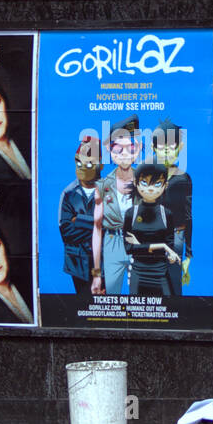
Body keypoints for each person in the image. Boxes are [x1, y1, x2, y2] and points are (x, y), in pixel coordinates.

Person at [91, 115, 141, 295]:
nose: (125, 154)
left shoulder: (145, 183)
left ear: (138, 149)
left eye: (131, 148)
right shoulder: (102, 186)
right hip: (112, 243)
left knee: (142, 299)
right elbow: (97, 229)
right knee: (112, 296)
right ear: (109, 150)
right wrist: (97, 274)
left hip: (139, 244)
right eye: (118, 149)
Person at [122, 162, 181, 296]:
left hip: (161, 273)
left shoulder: (166, 214)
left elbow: (169, 246)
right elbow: (128, 248)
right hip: (138, 273)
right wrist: (161, 246)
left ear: (165, 185)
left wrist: (142, 245)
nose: (150, 189)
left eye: (157, 184)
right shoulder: (131, 214)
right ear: (136, 183)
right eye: (144, 183)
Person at [152, 119, 193, 292]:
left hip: (177, 236)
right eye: (161, 145)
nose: (167, 149)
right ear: (154, 148)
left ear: (180, 147)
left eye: (172, 144)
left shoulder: (184, 178)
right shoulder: (147, 176)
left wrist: (188, 254)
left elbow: (188, 215)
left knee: (174, 285)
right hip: (152, 236)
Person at [58, 136, 101, 296]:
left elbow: (112, 225)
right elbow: (66, 232)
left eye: (89, 163)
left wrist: (79, 220)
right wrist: (97, 226)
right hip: (78, 264)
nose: (83, 167)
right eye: (79, 162)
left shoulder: (108, 189)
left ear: (99, 164)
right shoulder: (68, 194)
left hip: (103, 262)